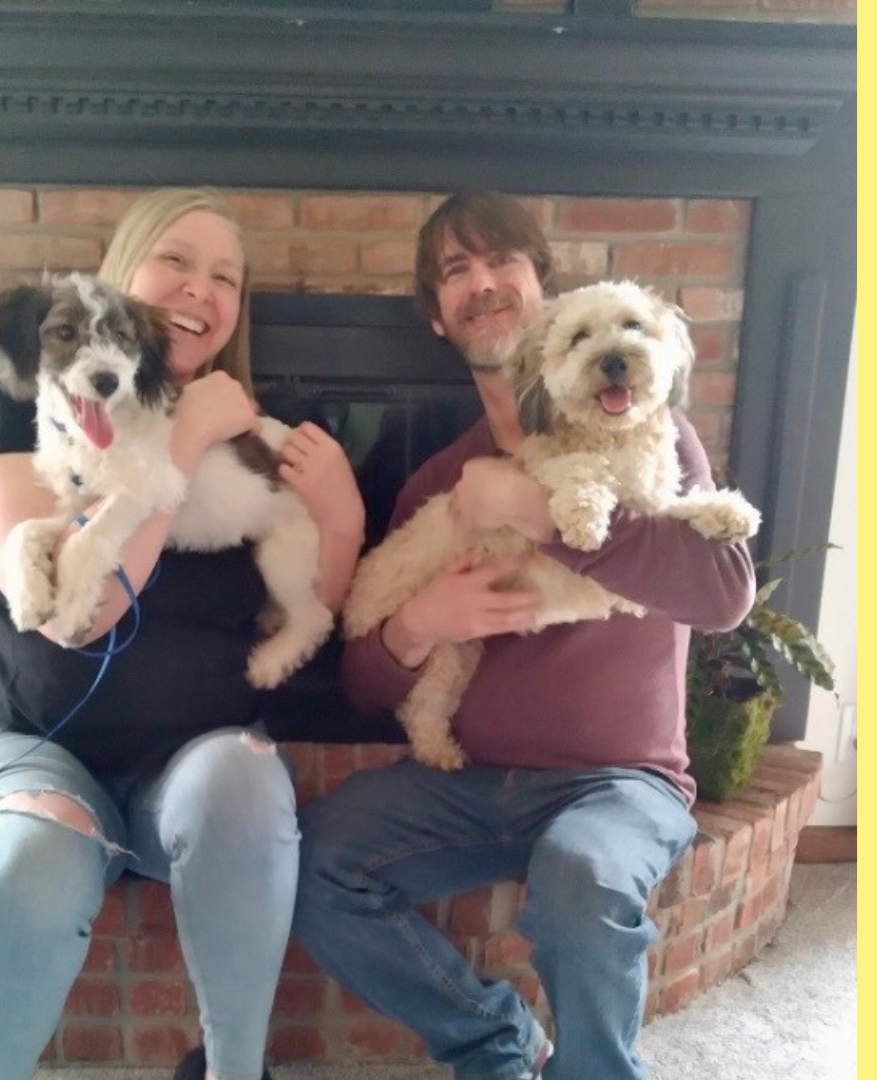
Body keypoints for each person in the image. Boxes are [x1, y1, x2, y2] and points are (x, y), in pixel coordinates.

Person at [290, 191, 756, 1080]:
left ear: (544, 288)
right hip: (474, 785)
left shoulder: (653, 434)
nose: (482, 284)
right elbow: (361, 684)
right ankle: (497, 1047)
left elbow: (725, 595)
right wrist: (420, 627)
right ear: (437, 315)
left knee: (584, 875)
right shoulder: (438, 473)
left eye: (502, 260)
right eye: (454, 273)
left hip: (619, 783)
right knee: (313, 861)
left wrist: (534, 509)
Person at [0, 188, 366, 1080]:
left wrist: (342, 517)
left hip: (196, 764)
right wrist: (185, 435)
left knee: (245, 783)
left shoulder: (246, 436)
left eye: (226, 277)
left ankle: (234, 1071)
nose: (200, 289)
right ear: (123, 275)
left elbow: (318, 611)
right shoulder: (14, 410)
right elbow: (79, 612)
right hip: (39, 751)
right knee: (28, 853)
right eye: (176, 260)